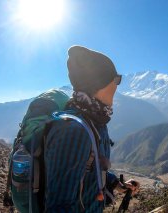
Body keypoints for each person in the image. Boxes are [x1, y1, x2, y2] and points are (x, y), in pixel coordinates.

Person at [44, 46, 140, 212]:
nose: (117, 85)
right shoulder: (74, 132)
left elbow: (89, 169)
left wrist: (117, 185)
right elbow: (59, 206)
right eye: (116, 79)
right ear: (99, 84)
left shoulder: (95, 121)